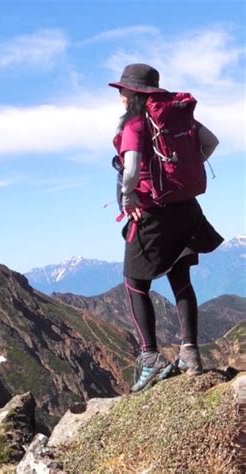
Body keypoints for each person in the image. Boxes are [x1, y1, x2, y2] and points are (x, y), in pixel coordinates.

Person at [109, 63, 224, 392]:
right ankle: (190, 353)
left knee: (134, 282)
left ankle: (150, 358)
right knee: (181, 279)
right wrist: (184, 167)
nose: (120, 95)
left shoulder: (135, 123)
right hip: (187, 209)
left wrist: (128, 196)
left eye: (123, 89)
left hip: (153, 213)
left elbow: (130, 169)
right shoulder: (177, 115)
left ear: (134, 92)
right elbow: (212, 142)